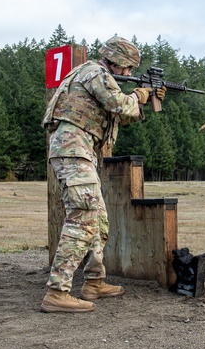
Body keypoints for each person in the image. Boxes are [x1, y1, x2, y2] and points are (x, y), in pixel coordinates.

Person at [40, 36, 164, 313]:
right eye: (128, 68)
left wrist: (141, 100)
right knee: (83, 218)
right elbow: (121, 105)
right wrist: (139, 96)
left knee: (99, 220)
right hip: (73, 151)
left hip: (80, 152)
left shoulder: (95, 75)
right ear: (116, 61)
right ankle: (56, 292)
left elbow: (124, 115)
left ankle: (94, 282)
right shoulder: (95, 72)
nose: (129, 74)